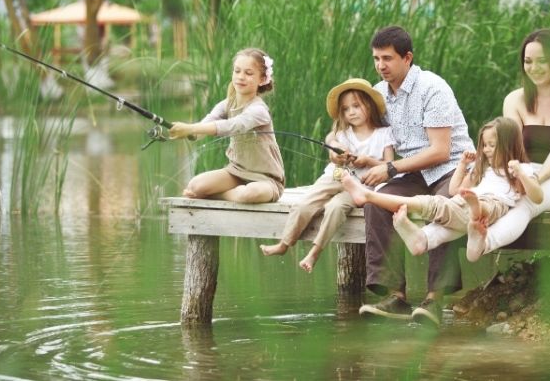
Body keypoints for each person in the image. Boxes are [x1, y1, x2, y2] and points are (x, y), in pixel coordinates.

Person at [423, 29, 550, 261]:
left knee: (526, 200)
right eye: (528, 61)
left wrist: (530, 180)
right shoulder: (515, 99)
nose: (534, 68)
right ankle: (425, 238)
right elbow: (509, 149)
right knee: (474, 197)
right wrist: (489, 175)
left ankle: (484, 243)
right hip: (523, 171)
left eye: (543, 60)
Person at [357, 25, 474, 326]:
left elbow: (440, 151)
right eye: (376, 59)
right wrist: (358, 157)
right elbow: (374, 139)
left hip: (452, 168)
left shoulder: (433, 88)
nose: (380, 66)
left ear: (407, 58)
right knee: (377, 202)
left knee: (444, 203)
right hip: (413, 172)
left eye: (387, 58)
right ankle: (395, 295)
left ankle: (435, 299)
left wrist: (391, 168)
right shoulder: (378, 93)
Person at [342, 117, 543, 261]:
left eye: (492, 145)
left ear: (509, 145)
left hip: (493, 205)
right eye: (485, 145)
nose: (487, 150)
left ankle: (368, 195)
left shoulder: (520, 168)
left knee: (442, 204)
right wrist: (463, 166)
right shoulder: (482, 169)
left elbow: (537, 196)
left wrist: (521, 173)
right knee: (449, 203)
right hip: (464, 203)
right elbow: (456, 189)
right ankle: (422, 239)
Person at [260, 78, 396, 272]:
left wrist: (368, 161)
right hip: (336, 176)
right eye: (346, 109)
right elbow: (333, 151)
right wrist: (338, 156)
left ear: (370, 105)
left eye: (356, 106)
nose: (351, 112)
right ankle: (284, 244)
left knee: (335, 207)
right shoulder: (342, 134)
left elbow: (389, 166)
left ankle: (314, 253)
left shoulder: (384, 133)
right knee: (304, 204)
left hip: (360, 186)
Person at [169, 47, 285, 203]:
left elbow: (232, 125)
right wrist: (186, 132)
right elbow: (204, 126)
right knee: (195, 186)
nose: (241, 77)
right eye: (237, 71)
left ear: (262, 79)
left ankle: (220, 195)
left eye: (248, 73)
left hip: (266, 179)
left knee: (249, 194)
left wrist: (190, 128)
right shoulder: (226, 104)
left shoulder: (259, 110)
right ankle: (233, 193)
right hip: (236, 172)